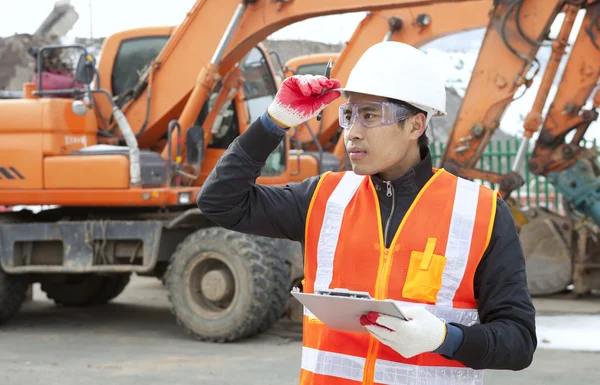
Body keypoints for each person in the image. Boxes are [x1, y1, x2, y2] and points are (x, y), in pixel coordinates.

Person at [197, 41, 537, 384]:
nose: (352, 132)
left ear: (416, 126)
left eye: (370, 115)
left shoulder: (482, 212)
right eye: (349, 115)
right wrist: (273, 122)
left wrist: (446, 339)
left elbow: (519, 342)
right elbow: (219, 201)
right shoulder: (323, 198)